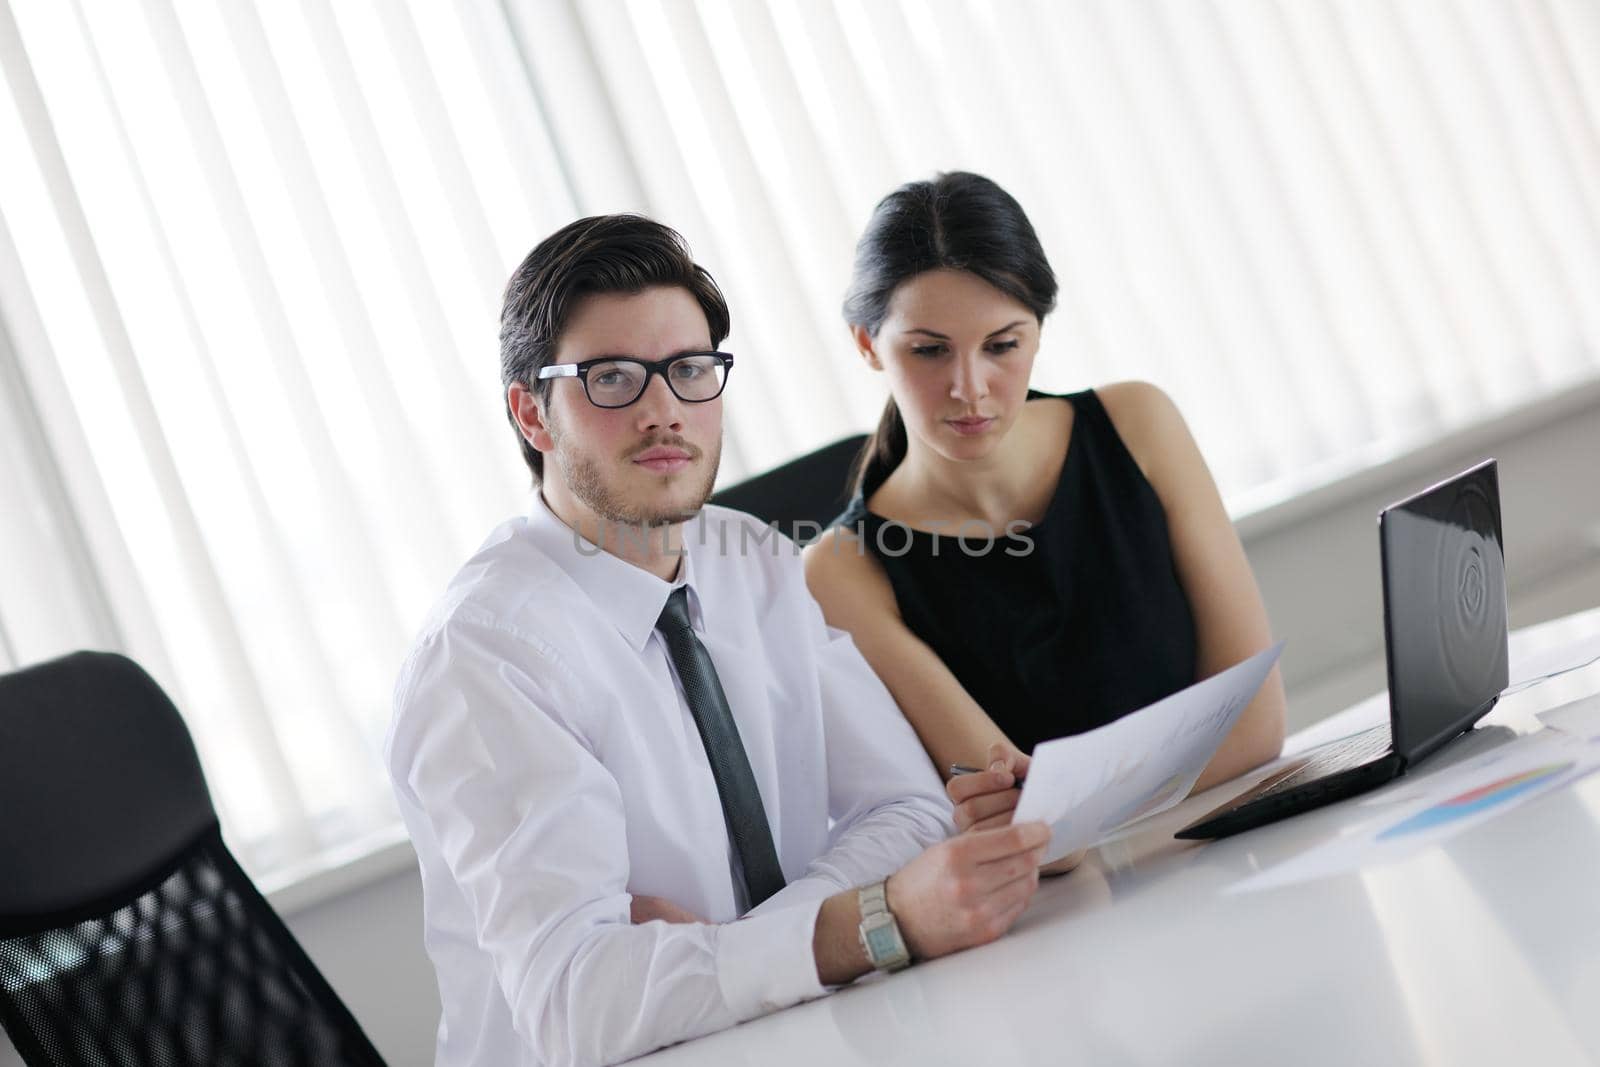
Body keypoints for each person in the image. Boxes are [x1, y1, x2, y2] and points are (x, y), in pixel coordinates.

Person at [384, 214, 1052, 1067]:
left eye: (690, 370)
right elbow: (580, 1007)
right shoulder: (484, 658)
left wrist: (746, 946)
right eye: (613, 378)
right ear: (532, 413)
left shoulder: (753, 558)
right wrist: (861, 923)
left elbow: (910, 809)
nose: (665, 411)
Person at [803, 172, 1287, 847]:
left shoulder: (1138, 424)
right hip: (1080, 913)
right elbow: (1031, 821)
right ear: (866, 344)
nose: (970, 388)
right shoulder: (839, 571)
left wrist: (1084, 808)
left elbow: (1257, 724)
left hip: (1239, 843)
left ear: (1037, 331)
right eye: (929, 350)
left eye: (1002, 345)